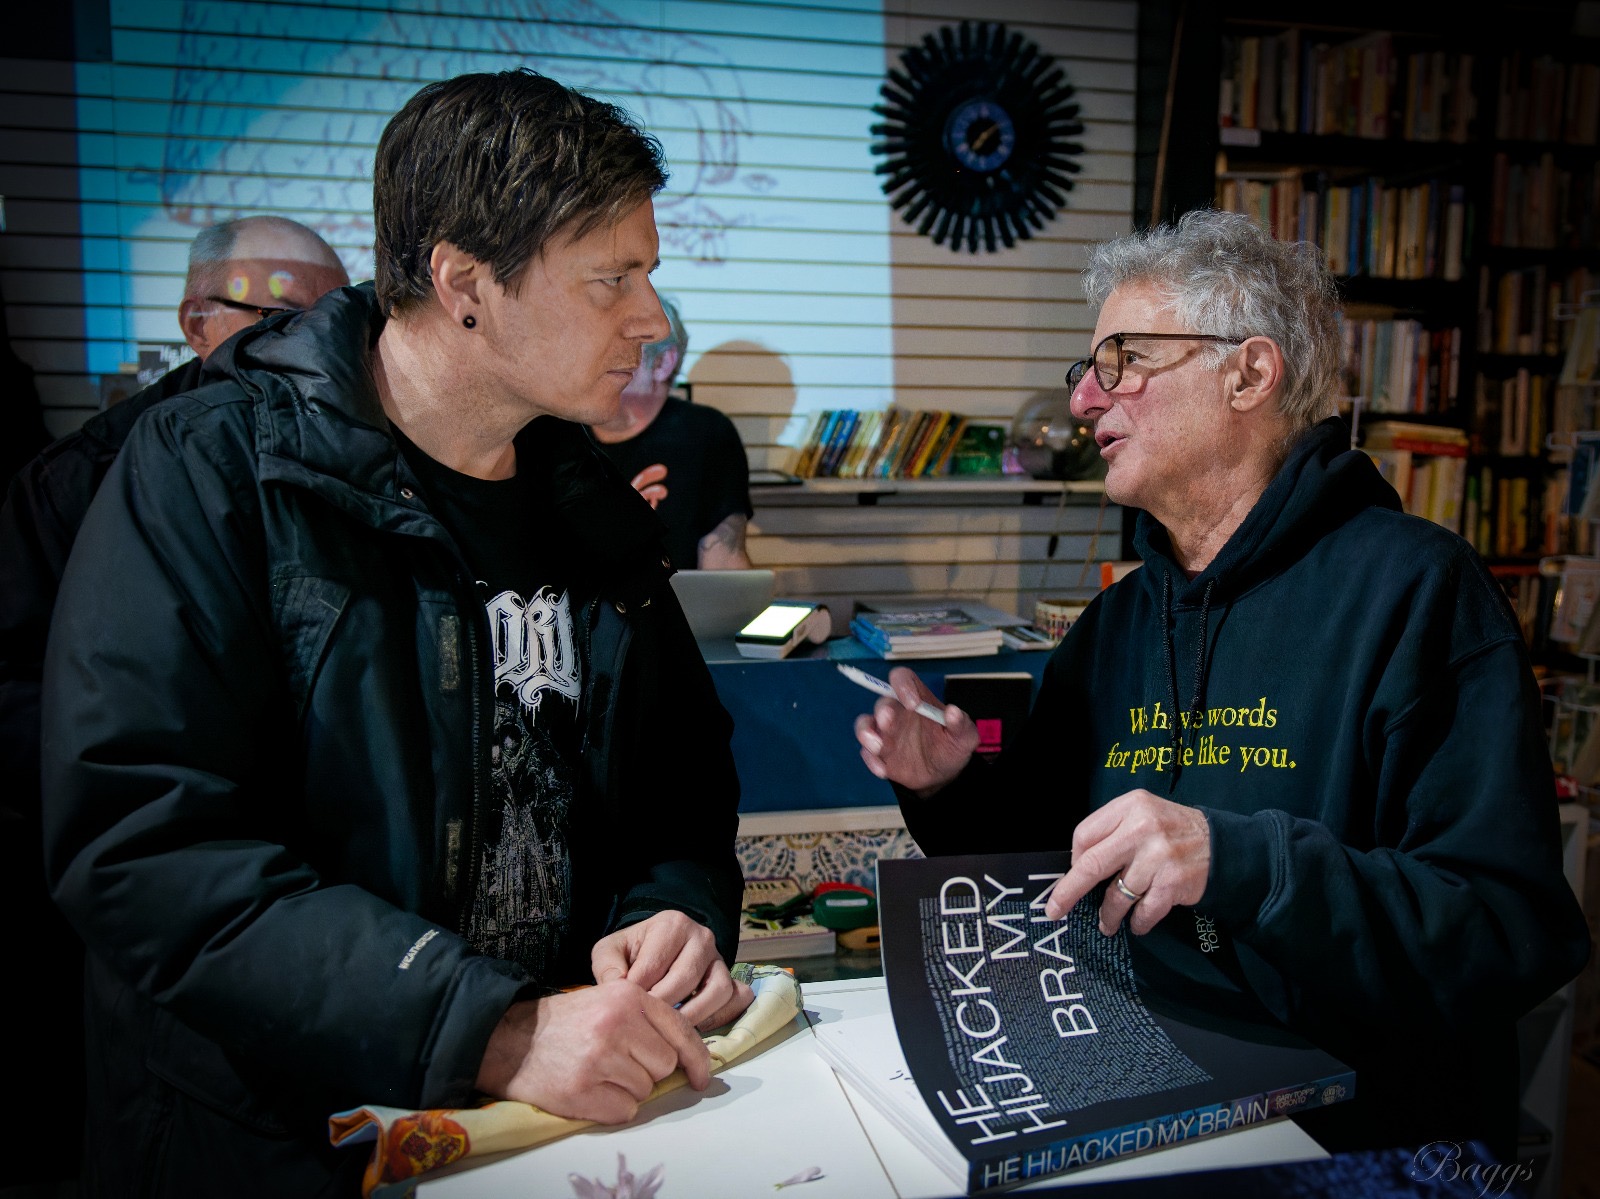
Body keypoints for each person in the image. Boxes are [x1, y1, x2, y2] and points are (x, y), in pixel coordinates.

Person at [39, 69, 750, 1197]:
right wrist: (487, 1026)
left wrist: (674, 909)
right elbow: (145, 845)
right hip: (281, 1140)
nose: (650, 317)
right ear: (464, 283)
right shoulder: (214, 469)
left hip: (547, 1130)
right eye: (610, 278)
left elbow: (679, 785)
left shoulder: (587, 501)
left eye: (648, 274)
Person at [854, 208, 1590, 1162]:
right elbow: (1046, 867)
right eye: (1088, 367)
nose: (1084, 400)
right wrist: (950, 786)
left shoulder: (1421, 592)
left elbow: (1508, 931)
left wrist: (1242, 862)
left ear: (1248, 374)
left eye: (1122, 360)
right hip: (1140, 1090)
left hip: (1354, 1138)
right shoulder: (1117, 622)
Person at [0, 214, 348, 1192]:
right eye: (272, 316)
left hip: (318, 918)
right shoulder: (84, 477)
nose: (302, 344)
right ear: (197, 320)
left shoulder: (347, 466)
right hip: (155, 898)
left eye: (329, 320)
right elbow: (17, 691)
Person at [588, 296, 753, 569]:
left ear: (663, 363)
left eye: (616, 344)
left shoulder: (706, 434)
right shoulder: (553, 429)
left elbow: (723, 560)